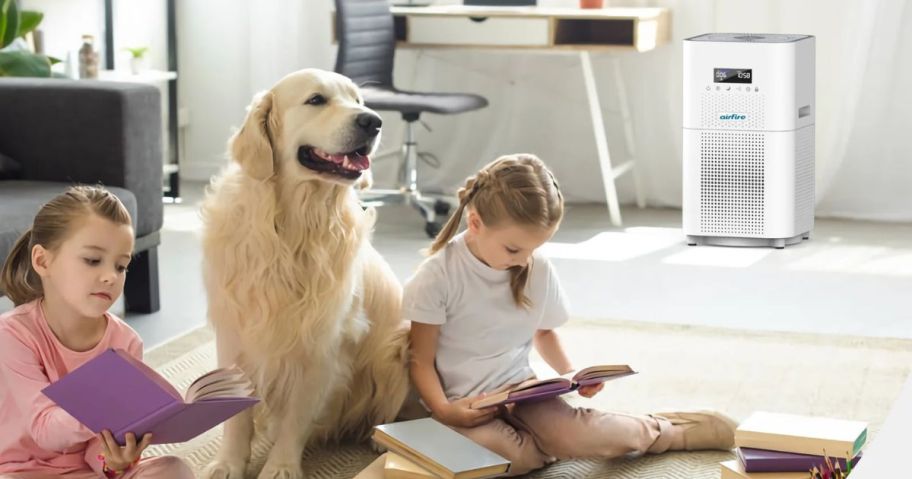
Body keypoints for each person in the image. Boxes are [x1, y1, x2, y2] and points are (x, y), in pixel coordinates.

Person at [405, 154, 737, 476]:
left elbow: (544, 333)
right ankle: (549, 445)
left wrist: (571, 375)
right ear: (475, 223)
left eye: (534, 249)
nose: (524, 260)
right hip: (465, 406)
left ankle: (669, 430)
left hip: (523, 392)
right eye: (513, 249)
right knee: (503, 459)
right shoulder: (438, 276)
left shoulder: (536, 268)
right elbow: (420, 359)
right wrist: (447, 411)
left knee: (590, 436)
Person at [0, 186, 194, 479]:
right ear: (42, 261)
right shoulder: (12, 334)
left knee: (173, 470)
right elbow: (45, 430)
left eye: (121, 266)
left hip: (84, 473)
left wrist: (113, 461)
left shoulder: (125, 342)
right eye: (92, 260)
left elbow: (96, 449)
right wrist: (103, 407)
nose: (110, 276)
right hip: (22, 471)